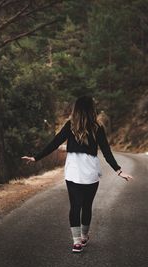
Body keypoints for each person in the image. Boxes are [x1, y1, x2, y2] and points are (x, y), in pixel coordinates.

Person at [21, 96, 133, 253]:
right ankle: (84, 236)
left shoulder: (70, 126)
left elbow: (54, 143)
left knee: (75, 206)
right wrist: (118, 170)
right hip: (90, 172)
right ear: (91, 109)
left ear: (76, 109)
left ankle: (76, 242)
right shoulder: (97, 127)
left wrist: (35, 157)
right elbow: (106, 152)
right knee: (86, 206)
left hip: (73, 172)